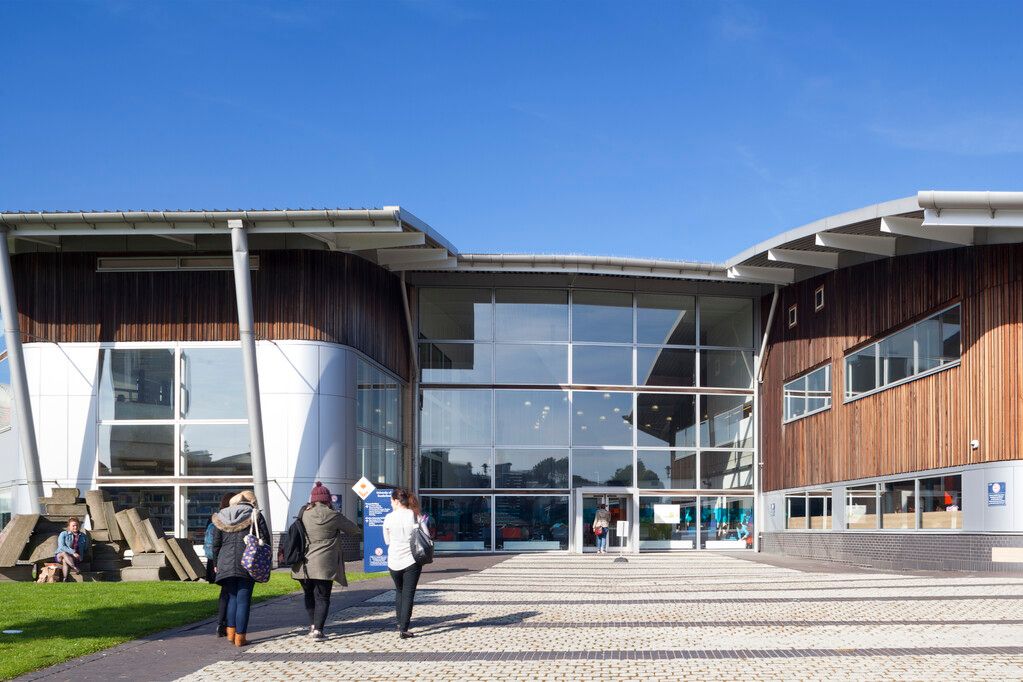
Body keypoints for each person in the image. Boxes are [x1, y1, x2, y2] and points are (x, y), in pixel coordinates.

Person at [291, 482, 360, 640]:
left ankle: (312, 626)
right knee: (322, 597)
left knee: (309, 594)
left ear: (313, 500)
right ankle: (319, 631)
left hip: (304, 564)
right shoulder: (334, 515)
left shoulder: (303, 513)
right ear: (328, 500)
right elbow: (354, 530)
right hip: (325, 564)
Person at [211, 490, 270, 647]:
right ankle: (240, 637)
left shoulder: (220, 517)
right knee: (243, 600)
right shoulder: (255, 515)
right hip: (247, 561)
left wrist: (217, 564)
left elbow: (216, 544)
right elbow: (265, 539)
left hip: (225, 562)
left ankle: (230, 634)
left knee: (232, 598)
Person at [383, 488, 426, 639]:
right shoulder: (415, 516)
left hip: (393, 560)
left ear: (396, 501)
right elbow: (426, 535)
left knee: (399, 591)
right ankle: (404, 627)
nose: (390, 503)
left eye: (391, 501)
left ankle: (399, 622)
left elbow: (386, 541)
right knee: (408, 594)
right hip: (411, 560)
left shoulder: (388, 518)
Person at [204, 492, 235, 637]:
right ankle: (230, 624)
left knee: (224, 593)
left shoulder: (216, 519)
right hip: (230, 559)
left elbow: (214, 544)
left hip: (217, 561)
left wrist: (215, 563)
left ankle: (220, 624)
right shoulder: (232, 519)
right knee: (233, 594)